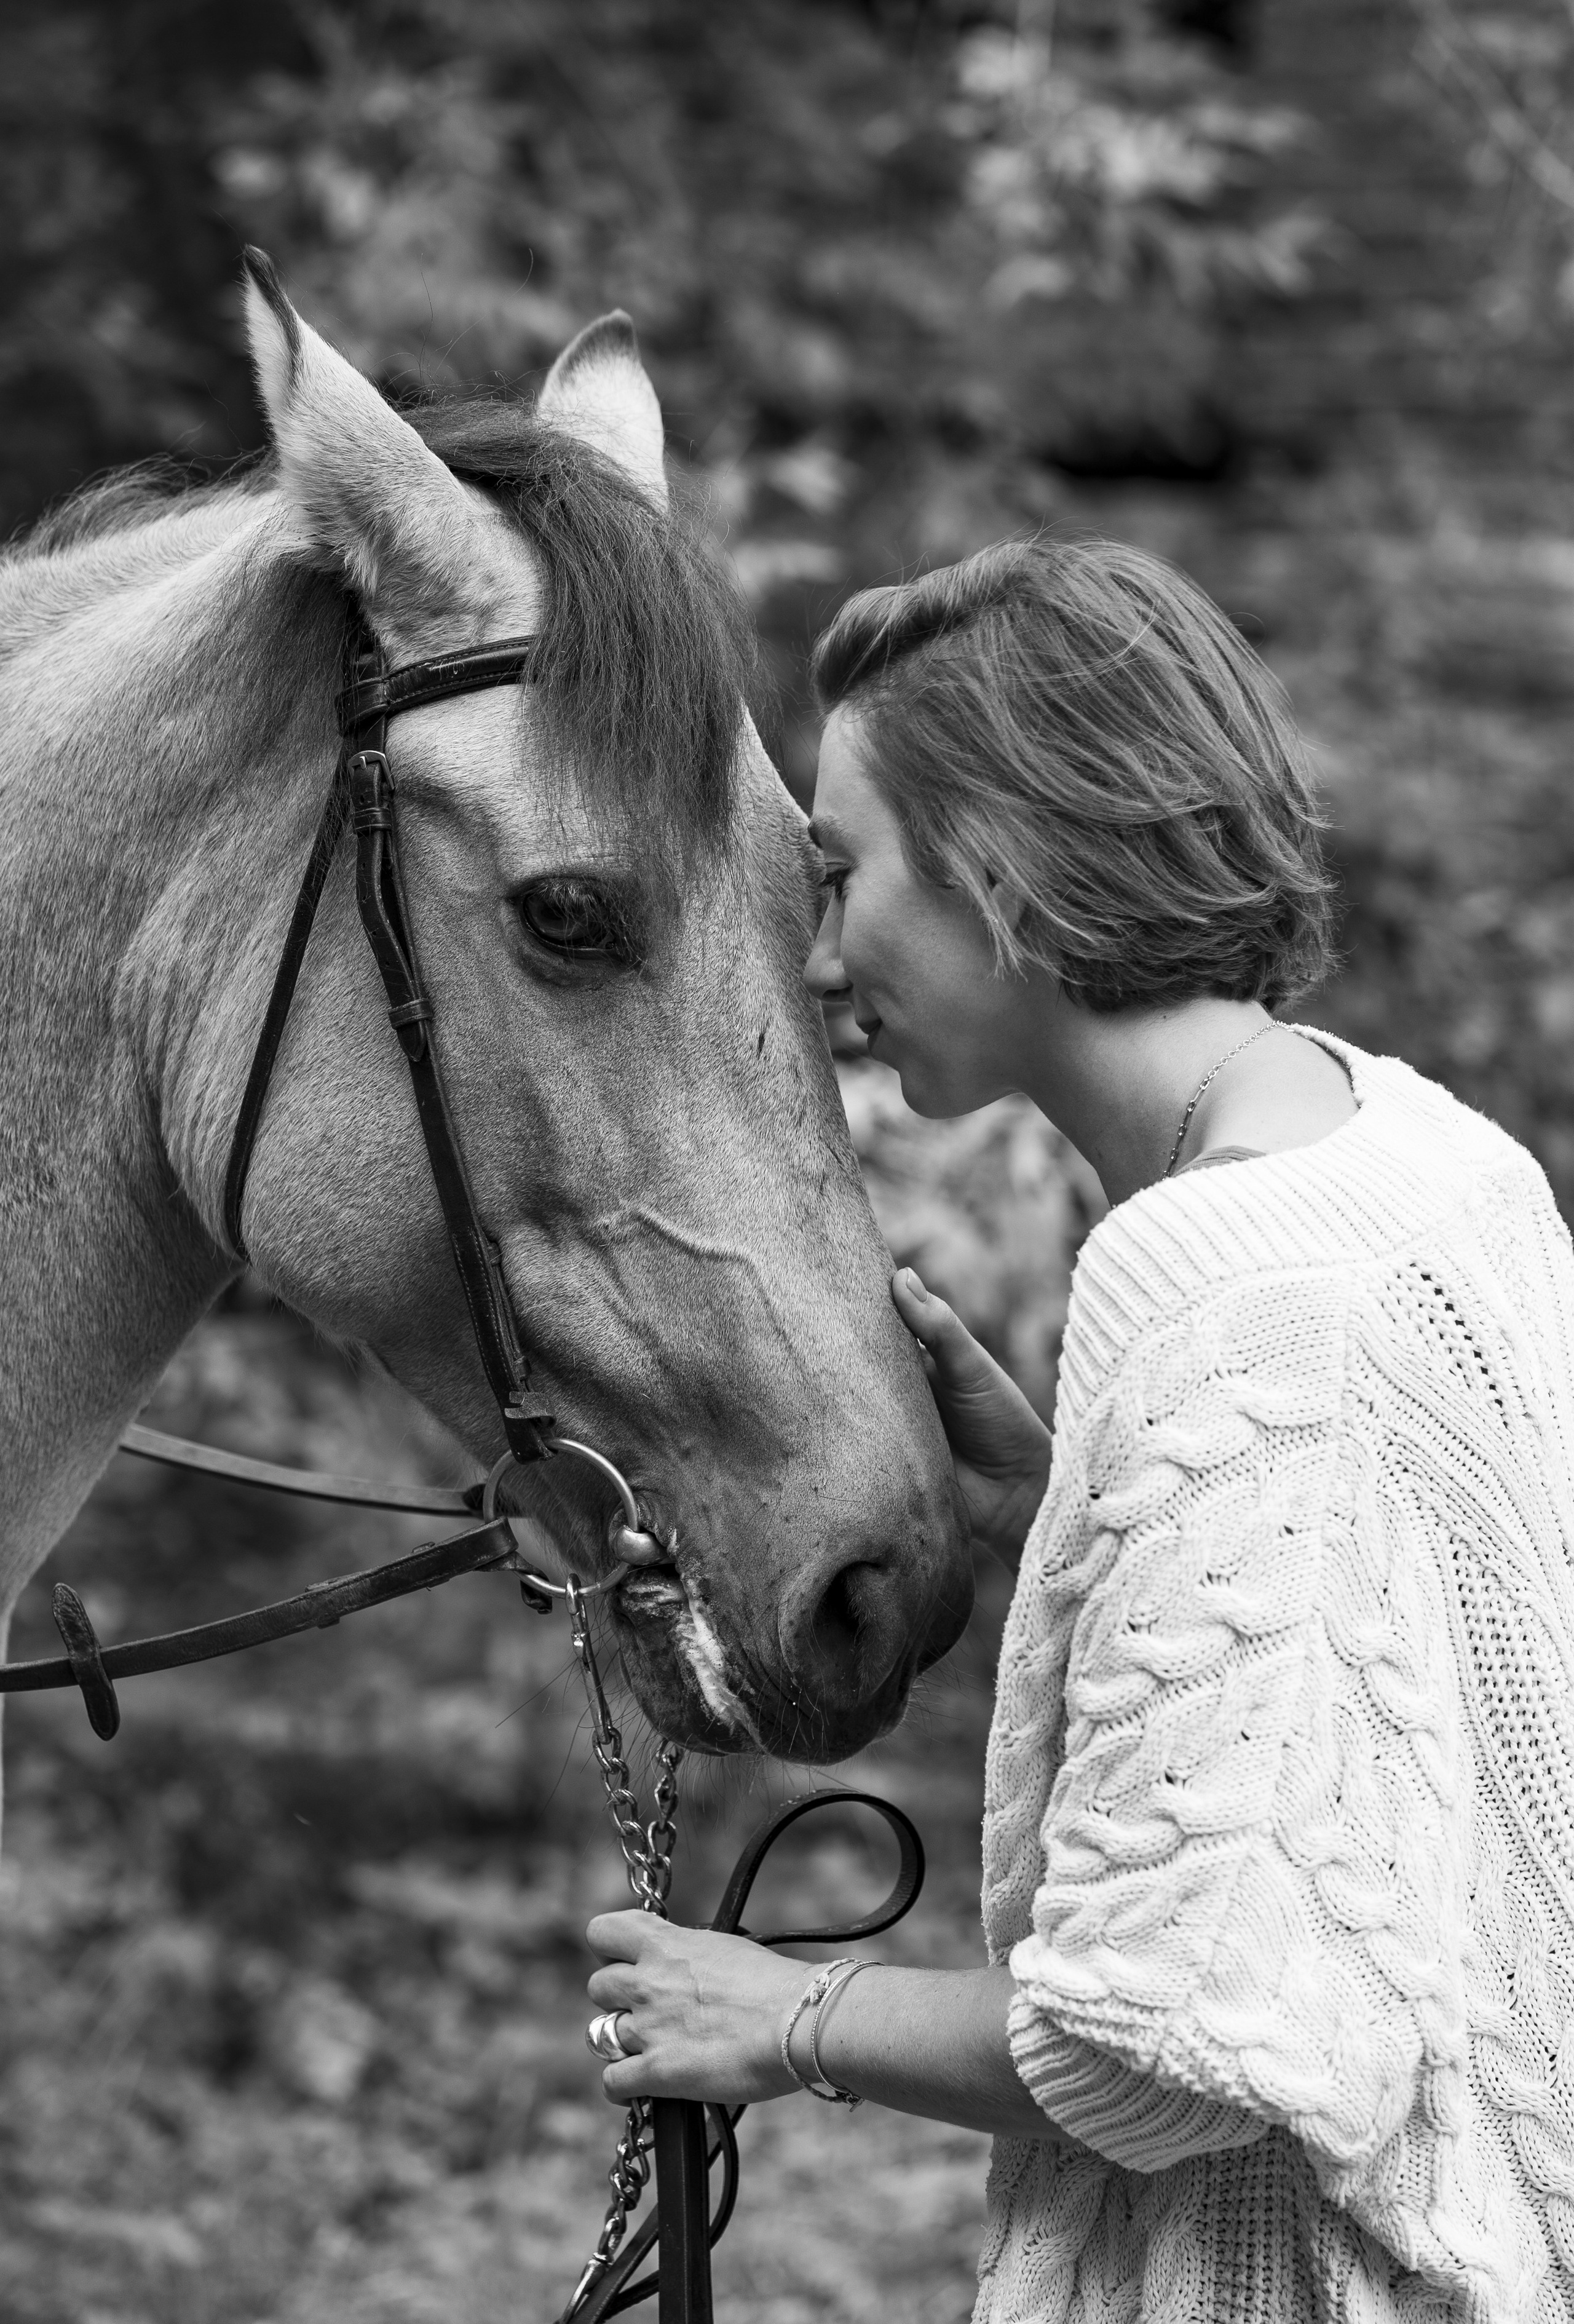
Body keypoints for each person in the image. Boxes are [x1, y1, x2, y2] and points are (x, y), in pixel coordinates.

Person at [582, 537, 1574, 2321]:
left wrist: (775, 2016)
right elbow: (1366, 1727)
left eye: (837, 875)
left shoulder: (1212, 1282)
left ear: (1001, 861)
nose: (815, 960)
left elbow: (1181, 2039)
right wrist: (1070, 1504)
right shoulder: (1433, 1160)